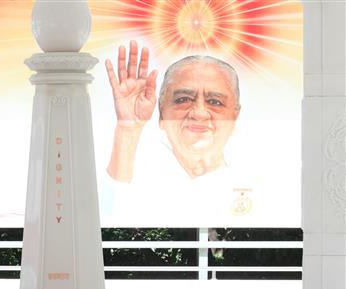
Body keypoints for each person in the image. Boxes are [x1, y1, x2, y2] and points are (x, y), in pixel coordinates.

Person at [101, 41, 263, 226]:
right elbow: (109, 213)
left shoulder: (257, 184)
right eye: (183, 99)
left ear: (235, 116)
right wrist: (128, 128)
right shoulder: (144, 179)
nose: (199, 113)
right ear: (162, 113)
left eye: (215, 102)